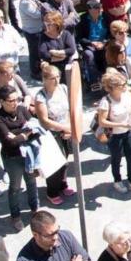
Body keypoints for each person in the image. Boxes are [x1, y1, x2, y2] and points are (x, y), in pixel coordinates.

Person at [0, 85, 39, 232]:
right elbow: (10, 142)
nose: (15, 103)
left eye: (16, 99)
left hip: (28, 154)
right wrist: (24, 133)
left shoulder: (22, 110)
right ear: (2, 101)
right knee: (15, 187)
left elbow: (36, 129)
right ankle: (15, 216)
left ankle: (34, 209)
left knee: (32, 181)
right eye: (10, 100)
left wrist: (17, 134)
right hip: (12, 157)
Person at [96, 70, 131, 196]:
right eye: (122, 85)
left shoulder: (128, 95)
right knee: (116, 158)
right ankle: (117, 180)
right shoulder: (105, 102)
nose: (125, 87)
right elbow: (102, 122)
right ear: (112, 88)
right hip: (114, 135)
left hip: (128, 132)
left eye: (125, 84)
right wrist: (120, 124)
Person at [34, 63, 75, 205]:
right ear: (45, 79)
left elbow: (71, 108)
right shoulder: (41, 96)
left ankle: (63, 184)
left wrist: (69, 127)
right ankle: (52, 191)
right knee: (55, 164)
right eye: (52, 78)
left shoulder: (63, 88)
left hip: (66, 129)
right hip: (51, 134)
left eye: (58, 77)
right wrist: (63, 127)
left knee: (65, 160)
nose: (56, 81)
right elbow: (44, 120)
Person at [17, 0, 45, 80]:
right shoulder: (25, 3)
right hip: (32, 32)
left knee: (38, 51)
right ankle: (35, 72)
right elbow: (36, 14)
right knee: (35, 53)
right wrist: (45, 10)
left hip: (37, 29)